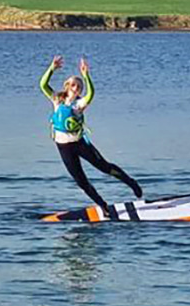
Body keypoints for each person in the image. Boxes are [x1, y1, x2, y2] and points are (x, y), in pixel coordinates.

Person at [40, 55, 142, 211]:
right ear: (67, 86)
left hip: (80, 144)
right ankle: (103, 205)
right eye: (74, 85)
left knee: (104, 167)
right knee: (80, 180)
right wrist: (51, 69)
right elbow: (43, 85)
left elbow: (91, 94)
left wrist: (86, 76)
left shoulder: (79, 104)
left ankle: (131, 182)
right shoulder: (57, 99)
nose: (77, 88)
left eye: (79, 87)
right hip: (63, 147)